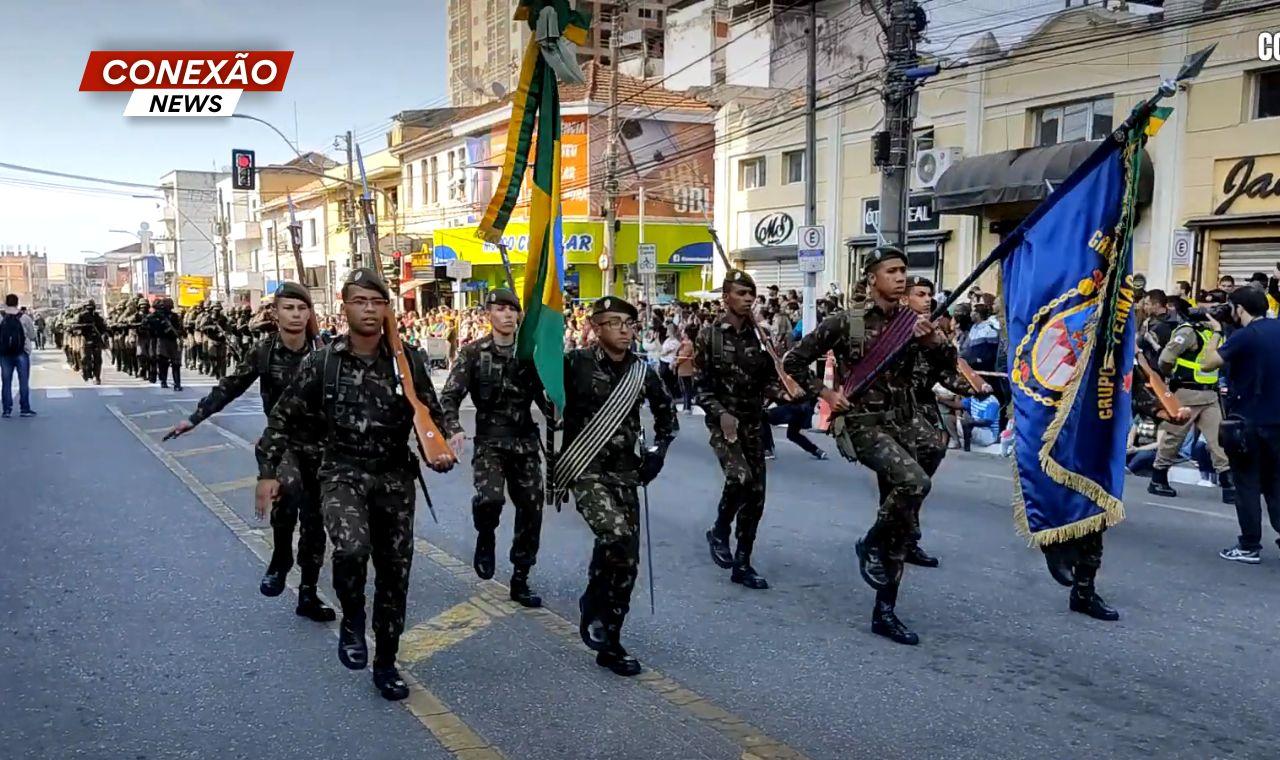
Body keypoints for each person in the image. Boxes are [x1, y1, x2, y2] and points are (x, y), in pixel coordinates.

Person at [256, 269, 455, 701]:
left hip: (395, 476)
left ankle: (386, 660)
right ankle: (351, 618)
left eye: (377, 302)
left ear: (386, 310)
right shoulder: (323, 360)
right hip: (341, 471)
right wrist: (268, 472)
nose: (369, 309)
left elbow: (433, 412)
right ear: (344, 307)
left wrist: (446, 441)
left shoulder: (409, 360)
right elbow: (283, 417)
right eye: (360, 301)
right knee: (350, 549)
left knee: (395, 572)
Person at [783, 246, 961, 646]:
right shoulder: (847, 323)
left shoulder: (914, 323)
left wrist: (933, 341)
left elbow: (949, 364)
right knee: (914, 484)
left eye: (904, 271)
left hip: (904, 422)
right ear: (872, 279)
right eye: (892, 271)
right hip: (863, 423)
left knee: (904, 504)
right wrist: (826, 394)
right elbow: (795, 360)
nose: (901, 277)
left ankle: (885, 611)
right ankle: (869, 542)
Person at [167, 283, 333, 622]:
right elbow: (230, 386)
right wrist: (195, 418)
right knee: (286, 495)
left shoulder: (326, 352)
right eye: (289, 308)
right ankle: (281, 559)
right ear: (276, 314)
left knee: (316, 524)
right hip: (280, 443)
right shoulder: (264, 352)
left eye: (303, 309)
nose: (297, 315)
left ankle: (308, 593)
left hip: (321, 447)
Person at [563, 296, 676, 676]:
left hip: (626, 473)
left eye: (629, 322)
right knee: (614, 534)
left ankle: (611, 640)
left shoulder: (642, 372)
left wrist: (658, 453)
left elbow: (667, 415)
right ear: (596, 327)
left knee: (626, 561)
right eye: (614, 322)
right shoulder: (575, 364)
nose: (625, 330)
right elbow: (539, 383)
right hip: (586, 468)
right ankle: (594, 601)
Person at [439, 288, 548, 608]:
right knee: (490, 499)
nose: (508, 315)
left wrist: (555, 396)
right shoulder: (473, 353)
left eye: (513, 310)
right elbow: (450, 396)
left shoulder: (530, 354)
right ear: (489, 315)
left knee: (532, 509)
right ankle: (485, 535)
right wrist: (454, 428)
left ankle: (521, 576)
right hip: (490, 442)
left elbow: (548, 400)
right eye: (501, 309)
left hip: (525, 442)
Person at [695, 270, 784, 590]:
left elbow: (769, 380)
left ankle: (743, 562)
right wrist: (720, 413)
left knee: (756, 497)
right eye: (741, 293)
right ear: (726, 297)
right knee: (739, 478)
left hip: (753, 422)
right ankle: (720, 530)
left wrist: (782, 390)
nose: (747, 299)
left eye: (752, 295)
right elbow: (700, 386)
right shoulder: (710, 335)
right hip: (724, 422)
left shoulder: (762, 336)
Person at [1198, 287, 1280, 563]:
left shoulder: (1246, 336)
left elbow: (1208, 364)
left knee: (1246, 484)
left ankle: (1249, 545)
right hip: (1277, 422)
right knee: (1276, 485)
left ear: (1240, 309)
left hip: (1248, 423)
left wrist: (1217, 332)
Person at [1146, 306, 1234, 504]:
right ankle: (1158, 477)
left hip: (1210, 394)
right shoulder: (1188, 332)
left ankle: (1229, 484)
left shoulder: (1215, 332)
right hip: (1187, 392)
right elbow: (1166, 359)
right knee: (1174, 437)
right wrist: (1172, 377)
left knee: (1219, 439)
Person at [1, 294, 37, 418]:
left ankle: (6, 410)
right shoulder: (24, 317)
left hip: (5, 354)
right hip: (22, 353)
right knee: (23, 382)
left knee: (6, 382)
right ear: (17, 303)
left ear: (6, 303)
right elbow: (32, 335)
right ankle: (25, 409)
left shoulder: (1, 317)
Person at [147, 297, 184, 390]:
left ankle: (177, 384)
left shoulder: (174, 316)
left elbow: (180, 328)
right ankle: (164, 381)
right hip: (162, 340)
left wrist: (178, 332)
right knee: (163, 362)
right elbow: (151, 326)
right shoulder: (157, 316)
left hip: (172, 341)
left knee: (175, 363)